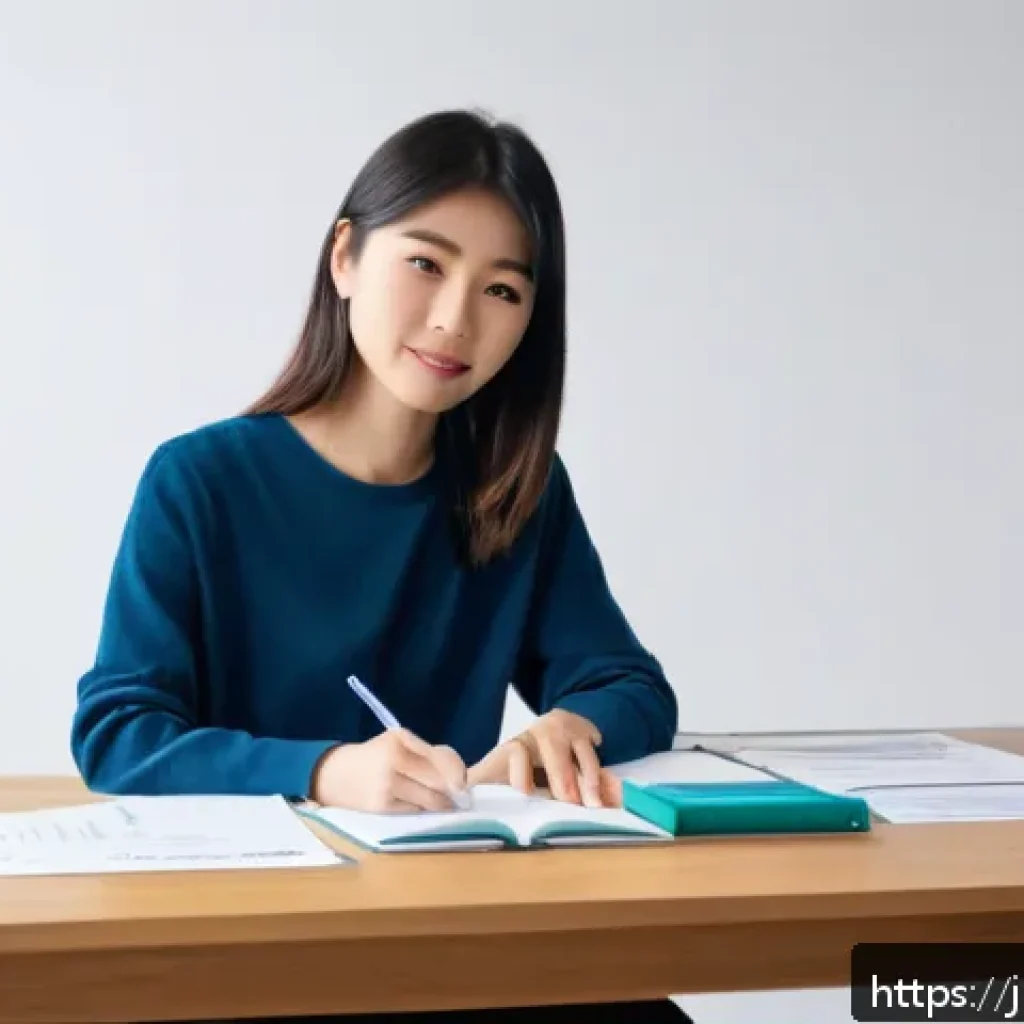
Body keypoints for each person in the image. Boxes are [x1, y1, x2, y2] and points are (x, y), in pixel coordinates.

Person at [71, 108, 690, 1023]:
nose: (455, 319)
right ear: (346, 258)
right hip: (247, 944)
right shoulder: (200, 481)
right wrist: (326, 771)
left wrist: (564, 729)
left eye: (503, 291)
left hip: (449, 927)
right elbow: (118, 735)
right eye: (426, 264)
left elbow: (632, 686)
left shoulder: (514, 492)